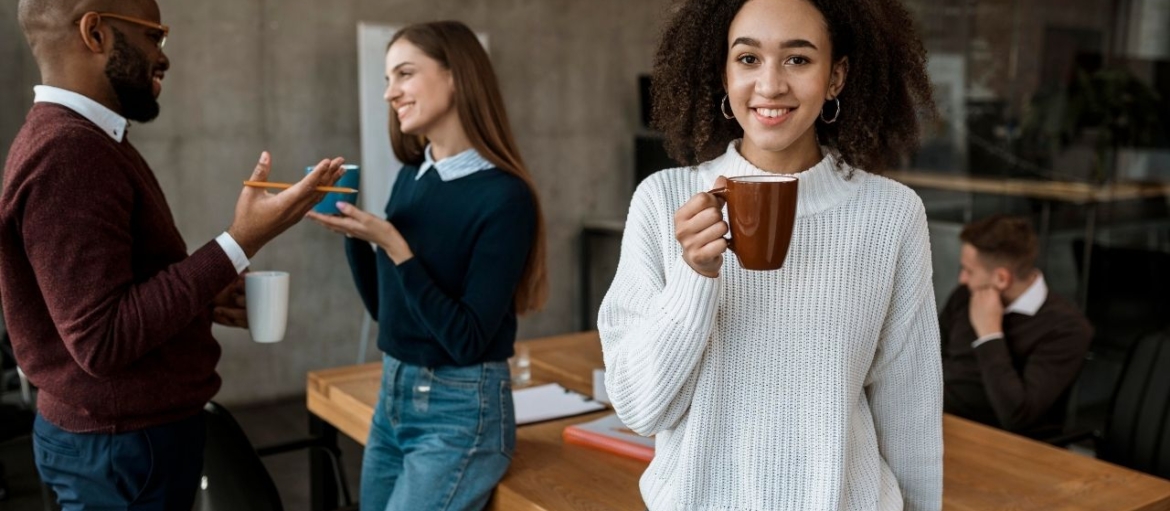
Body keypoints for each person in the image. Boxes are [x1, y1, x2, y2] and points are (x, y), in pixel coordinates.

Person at [598, 0, 943, 509]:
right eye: (748, 58)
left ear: (836, 77)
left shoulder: (891, 215)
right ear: (723, 71)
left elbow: (909, 409)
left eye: (798, 59)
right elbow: (639, 409)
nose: (771, 84)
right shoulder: (663, 200)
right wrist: (695, 276)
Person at [0, 0, 346, 508]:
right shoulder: (68, 153)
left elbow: (103, 301)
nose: (163, 56)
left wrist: (199, 300)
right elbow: (100, 341)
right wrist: (240, 242)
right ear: (95, 33)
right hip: (123, 449)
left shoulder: (83, 141)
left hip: (118, 441)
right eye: (152, 36)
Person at [308, 20, 547, 511]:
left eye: (404, 74)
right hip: (393, 395)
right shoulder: (412, 178)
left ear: (456, 75)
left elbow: (465, 338)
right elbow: (387, 314)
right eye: (387, 78)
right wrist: (355, 238)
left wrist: (394, 244)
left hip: (461, 412)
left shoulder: (504, 198)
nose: (390, 93)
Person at [940, 215, 1093, 438]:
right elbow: (927, 360)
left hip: (1006, 445)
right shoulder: (965, 296)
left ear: (1001, 279)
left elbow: (1017, 417)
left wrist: (989, 334)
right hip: (943, 426)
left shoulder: (1068, 329)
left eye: (969, 271)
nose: (962, 279)